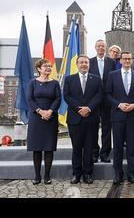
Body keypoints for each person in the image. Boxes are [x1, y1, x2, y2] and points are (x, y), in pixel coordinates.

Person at [105, 52, 134, 185]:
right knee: (117, 147)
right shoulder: (112, 75)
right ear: (121, 61)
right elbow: (107, 94)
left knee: (131, 148)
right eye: (125, 59)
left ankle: (131, 174)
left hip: (133, 117)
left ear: (132, 61)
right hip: (118, 116)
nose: (127, 61)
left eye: (129, 59)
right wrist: (119, 104)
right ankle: (118, 174)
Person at [64, 55, 103, 184]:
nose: (84, 64)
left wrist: (89, 108)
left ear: (89, 64)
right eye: (81, 62)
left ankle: (87, 173)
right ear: (77, 64)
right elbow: (67, 96)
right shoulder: (69, 79)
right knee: (76, 148)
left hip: (91, 118)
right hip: (75, 118)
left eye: (86, 62)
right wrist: (79, 108)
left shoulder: (96, 79)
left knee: (89, 147)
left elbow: (99, 95)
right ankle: (76, 174)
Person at [26, 59, 61, 185]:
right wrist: (41, 112)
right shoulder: (32, 83)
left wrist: (50, 111)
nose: (48, 68)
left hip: (51, 118)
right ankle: (37, 176)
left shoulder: (55, 83)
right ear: (39, 69)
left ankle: (47, 175)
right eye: (46, 66)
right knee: (36, 148)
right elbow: (29, 99)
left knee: (49, 147)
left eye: (50, 66)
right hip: (36, 118)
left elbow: (58, 99)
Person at [89, 39, 116, 163]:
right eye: (99, 46)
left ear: (106, 48)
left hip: (107, 99)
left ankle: (105, 153)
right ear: (95, 48)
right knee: (93, 127)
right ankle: (94, 152)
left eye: (103, 46)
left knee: (106, 127)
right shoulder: (90, 62)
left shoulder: (111, 62)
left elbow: (114, 79)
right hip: (93, 99)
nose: (101, 48)